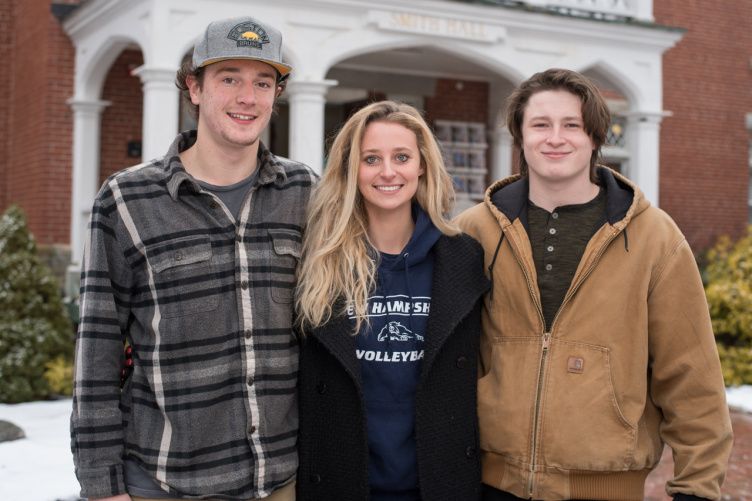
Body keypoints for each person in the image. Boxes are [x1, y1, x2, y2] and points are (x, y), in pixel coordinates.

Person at [455, 68, 734, 501]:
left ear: (595, 136)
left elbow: (690, 372)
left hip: (607, 487)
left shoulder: (653, 236)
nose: (555, 138)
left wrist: (697, 487)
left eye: (572, 125)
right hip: (492, 484)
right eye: (540, 125)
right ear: (520, 136)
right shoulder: (472, 232)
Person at [70, 16, 316, 501]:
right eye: (230, 79)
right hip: (165, 482)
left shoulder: (306, 192)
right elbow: (96, 350)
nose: (248, 97)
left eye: (263, 82)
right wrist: (101, 485)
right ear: (194, 87)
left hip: (281, 482)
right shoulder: (127, 200)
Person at [294, 100, 489, 500]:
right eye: (371, 159)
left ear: (422, 165)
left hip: (437, 483)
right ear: (352, 169)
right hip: (340, 482)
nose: (387, 171)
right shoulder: (317, 261)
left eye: (401, 156)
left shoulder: (463, 258)